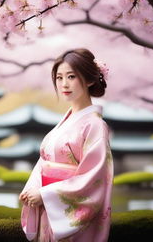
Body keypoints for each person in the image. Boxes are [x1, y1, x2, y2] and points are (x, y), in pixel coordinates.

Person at [19, 48, 113, 242]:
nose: (64, 84)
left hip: (68, 216)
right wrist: (34, 188)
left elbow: (92, 178)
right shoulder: (66, 121)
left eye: (71, 76)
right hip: (51, 211)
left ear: (89, 79)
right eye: (59, 78)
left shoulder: (95, 125)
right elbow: (44, 162)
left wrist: (46, 194)